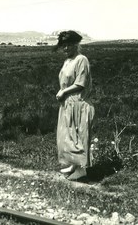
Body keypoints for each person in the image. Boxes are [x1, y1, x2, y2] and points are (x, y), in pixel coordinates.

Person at [55, 30, 95, 181]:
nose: (66, 48)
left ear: (76, 44)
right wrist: (62, 91)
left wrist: (64, 91)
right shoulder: (67, 61)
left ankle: (81, 169)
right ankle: (73, 164)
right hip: (68, 103)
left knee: (78, 136)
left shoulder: (81, 59)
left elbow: (80, 83)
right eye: (63, 45)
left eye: (69, 45)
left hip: (79, 103)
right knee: (67, 135)